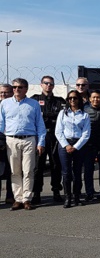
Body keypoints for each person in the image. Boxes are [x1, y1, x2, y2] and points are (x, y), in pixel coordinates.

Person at [0, 78, 46, 210]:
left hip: (29, 139)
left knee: (28, 170)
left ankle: (27, 199)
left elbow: (40, 124)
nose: (16, 90)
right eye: (14, 87)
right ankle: (17, 198)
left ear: (26, 89)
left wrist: (40, 142)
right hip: (11, 140)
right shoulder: (5, 104)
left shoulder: (34, 104)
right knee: (15, 171)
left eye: (19, 87)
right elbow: (1, 123)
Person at [31, 75, 65, 204]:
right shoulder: (34, 100)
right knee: (38, 166)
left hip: (54, 136)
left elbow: (61, 118)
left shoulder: (59, 101)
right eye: (46, 83)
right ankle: (36, 193)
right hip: (39, 136)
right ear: (41, 85)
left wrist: (46, 116)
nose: (48, 85)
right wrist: (49, 116)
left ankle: (56, 191)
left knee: (55, 165)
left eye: (51, 83)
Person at [55, 90, 91, 208]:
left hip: (79, 145)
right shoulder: (62, 113)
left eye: (75, 98)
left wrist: (75, 147)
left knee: (77, 172)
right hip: (64, 143)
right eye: (70, 98)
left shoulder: (84, 115)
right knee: (66, 173)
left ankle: (76, 197)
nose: (72, 100)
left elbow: (86, 134)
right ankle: (67, 198)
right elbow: (58, 131)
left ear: (79, 100)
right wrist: (67, 145)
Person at [83, 90, 100, 202]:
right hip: (88, 146)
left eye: (98, 97)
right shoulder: (84, 110)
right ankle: (89, 192)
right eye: (93, 97)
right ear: (90, 99)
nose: (96, 99)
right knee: (88, 170)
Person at [0, 84, 14, 204]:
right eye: (2, 92)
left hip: (12, 141)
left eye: (6, 92)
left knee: (11, 170)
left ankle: (10, 195)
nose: (4, 94)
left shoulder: (14, 106)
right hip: (0, 142)